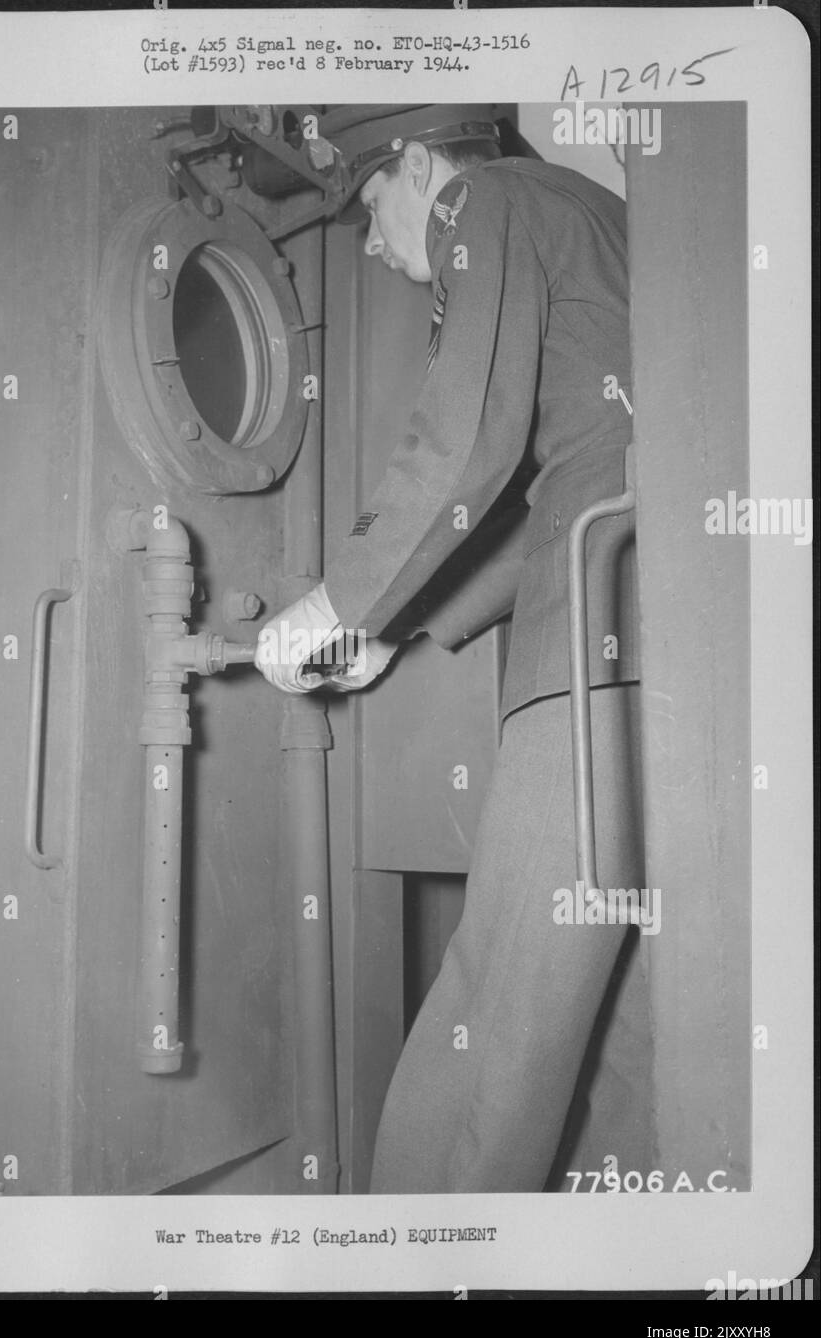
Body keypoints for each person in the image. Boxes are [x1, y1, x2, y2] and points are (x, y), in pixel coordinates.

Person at [255, 106, 652, 1193]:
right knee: (614, 1003)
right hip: (666, 634)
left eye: (374, 207)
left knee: (505, 989)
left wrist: (338, 600)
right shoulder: (601, 212)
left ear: (423, 162)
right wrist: (395, 625)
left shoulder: (495, 203)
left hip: (589, 646)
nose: (378, 247)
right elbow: (564, 466)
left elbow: (467, 437)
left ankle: (412, 1261)